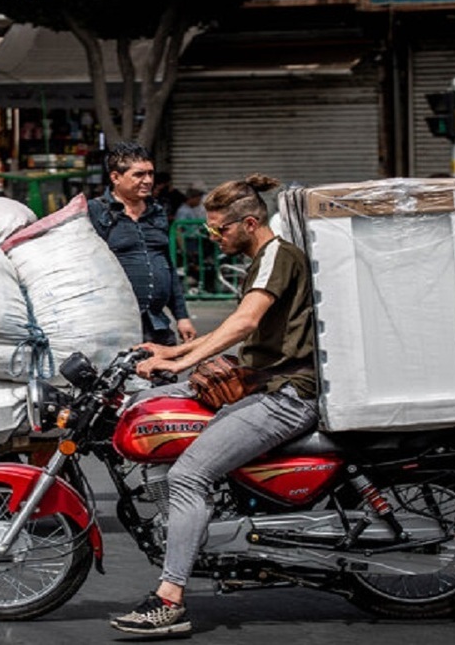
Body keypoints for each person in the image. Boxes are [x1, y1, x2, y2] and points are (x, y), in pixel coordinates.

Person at [110, 173, 318, 637]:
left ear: (248, 223)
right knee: (163, 406)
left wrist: (184, 361)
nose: (214, 237)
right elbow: (235, 328)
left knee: (189, 475)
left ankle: (170, 600)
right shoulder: (264, 259)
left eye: (218, 230)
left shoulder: (276, 257)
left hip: (286, 395)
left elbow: (244, 323)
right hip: (263, 386)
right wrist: (172, 354)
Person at [88, 142, 196, 345]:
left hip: (156, 325)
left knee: (165, 374)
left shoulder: (157, 212)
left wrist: (182, 317)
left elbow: (167, 266)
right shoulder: (96, 211)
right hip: (115, 327)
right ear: (115, 177)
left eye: (150, 174)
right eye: (139, 175)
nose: (148, 181)